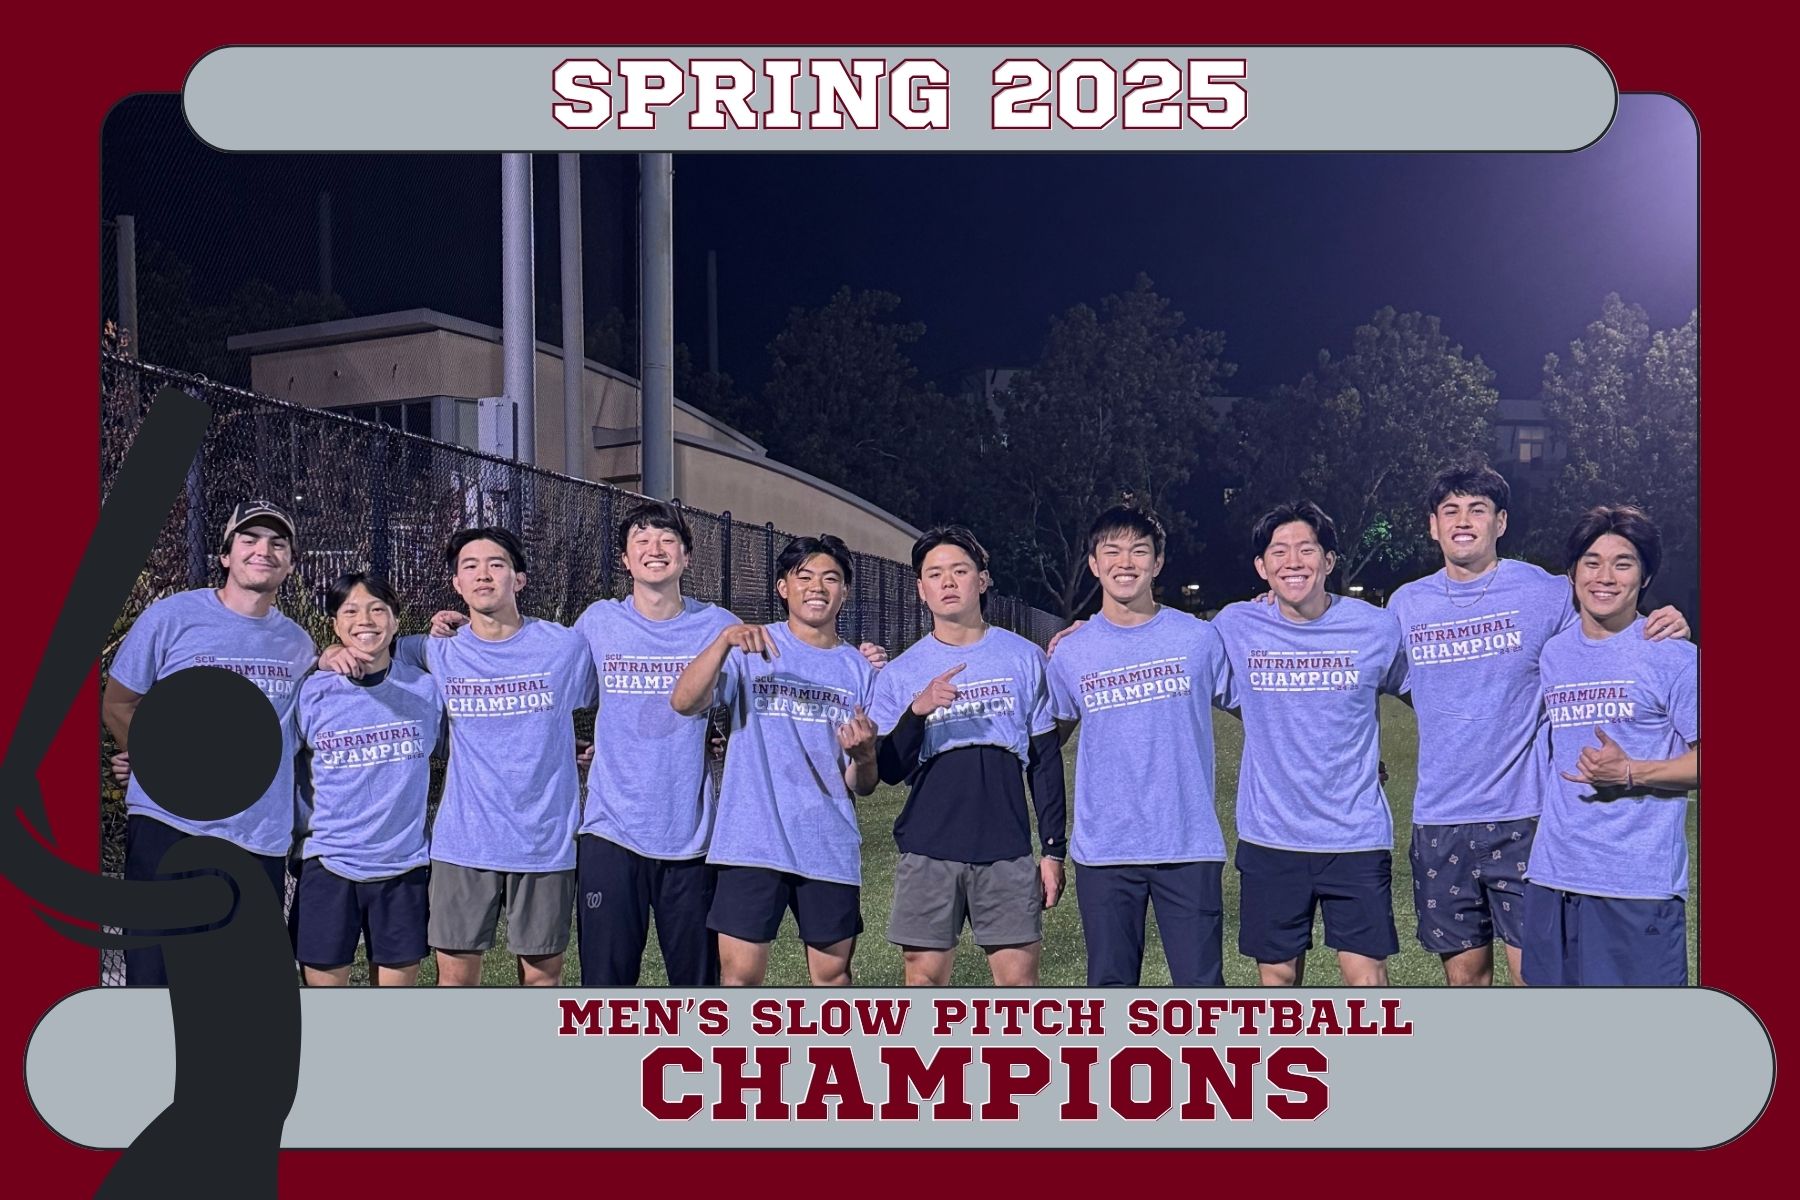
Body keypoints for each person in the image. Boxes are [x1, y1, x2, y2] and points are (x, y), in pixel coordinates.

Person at [1388, 463, 1690, 986]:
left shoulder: (1546, 592)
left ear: (1500, 522)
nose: (1464, 522)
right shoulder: (1404, 604)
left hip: (1525, 814)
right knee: (1465, 981)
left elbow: (1612, 626)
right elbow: (1359, 664)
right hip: (1438, 815)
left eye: (1478, 510)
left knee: (1537, 980)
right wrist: (1277, 605)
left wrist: (1668, 619)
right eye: (1451, 511)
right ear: (1432, 526)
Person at [327, 527, 597, 986]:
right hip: (463, 841)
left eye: (496, 564)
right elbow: (369, 647)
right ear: (456, 584)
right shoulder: (434, 650)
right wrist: (332, 651)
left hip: (545, 841)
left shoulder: (564, 647)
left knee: (541, 981)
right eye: (469, 567)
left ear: (520, 579)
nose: (483, 574)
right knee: (454, 981)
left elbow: (618, 705)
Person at [103, 500, 318, 986]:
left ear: (289, 563)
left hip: (256, 835)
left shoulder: (299, 644)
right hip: (168, 825)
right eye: (249, 539)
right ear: (226, 555)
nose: (263, 550)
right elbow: (119, 704)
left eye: (277, 543)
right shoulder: (172, 618)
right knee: (153, 981)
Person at [1211, 501, 1408, 987]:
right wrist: (1096, 627)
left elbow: (1429, 693)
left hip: (1355, 834)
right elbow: (1167, 645)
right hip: (1271, 834)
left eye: (1306, 549)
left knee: (1366, 978)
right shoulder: (1235, 625)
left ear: (1329, 561)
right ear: (1262, 567)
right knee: (1277, 977)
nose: (1292, 561)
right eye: (1279, 552)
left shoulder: (1376, 628)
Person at [671, 535, 878, 986]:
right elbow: (685, 702)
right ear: (784, 587)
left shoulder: (859, 670)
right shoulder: (751, 647)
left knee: (833, 975)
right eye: (803, 577)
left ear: (844, 591)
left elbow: (861, 783)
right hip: (750, 840)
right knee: (739, 977)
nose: (817, 587)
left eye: (831, 578)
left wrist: (864, 756)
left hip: (826, 841)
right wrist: (724, 641)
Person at [868, 525, 1067, 987]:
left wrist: (1053, 850)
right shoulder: (901, 672)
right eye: (935, 574)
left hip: (1006, 846)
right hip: (928, 848)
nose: (948, 582)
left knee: (1019, 986)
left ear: (983, 579)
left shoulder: (1024, 657)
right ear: (921, 589)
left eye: (960, 570)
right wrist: (917, 712)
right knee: (923, 985)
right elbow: (890, 772)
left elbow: (1045, 761)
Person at [1046, 502, 1234, 986]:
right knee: (1109, 991)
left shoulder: (1199, 638)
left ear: (1158, 562)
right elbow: (1049, 738)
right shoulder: (1071, 650)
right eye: (1111, 551)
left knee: (1202, 993)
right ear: (1093, 563)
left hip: (1187, 844)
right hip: (1106, 850)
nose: (1124, 562)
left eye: (1138, 551)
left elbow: (1261, 705)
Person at [1525, 505, 1698, 986]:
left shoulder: (1675, 657)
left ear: (1645, 578)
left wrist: (1629, 773)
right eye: (1591, 561)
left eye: (1623, 563)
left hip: (1636, 886)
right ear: (1572, 572)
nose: (1604, 576)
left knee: (1638, 1049)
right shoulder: (1554, 653)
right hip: (1553, 878)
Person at [292, 573, 441, 987]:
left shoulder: (426, 689)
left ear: (395, 621)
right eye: (351, 611)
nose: (366, 620)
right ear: (335, 624)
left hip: (403, 864)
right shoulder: (310, 693)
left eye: (378, 609)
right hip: (329, 863)